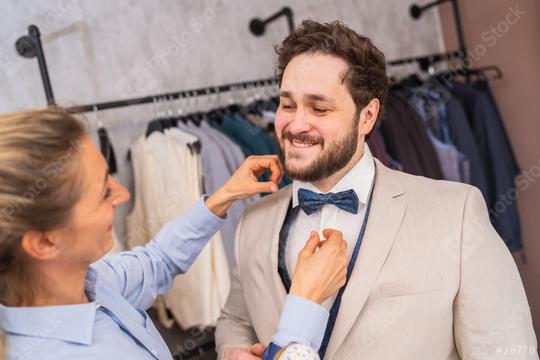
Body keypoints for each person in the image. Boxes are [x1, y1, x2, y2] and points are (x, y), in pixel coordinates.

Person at [215, 20, 537, 360]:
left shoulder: (455, 214)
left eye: (319, 108)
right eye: (288, 105)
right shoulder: (253, 222)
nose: (295, 124)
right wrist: (233, 350)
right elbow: (235, 318)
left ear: (367, 116)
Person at [0, 107, 348, 360]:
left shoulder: (91, 284)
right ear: (44, 241)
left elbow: (157, 261)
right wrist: (303, 305)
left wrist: (222, 197)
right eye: (103, 192)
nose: (123, 194)